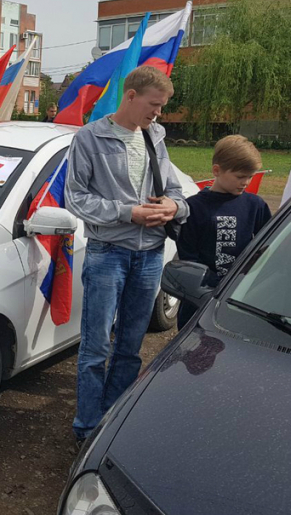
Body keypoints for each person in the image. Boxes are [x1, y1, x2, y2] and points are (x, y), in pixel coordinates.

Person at [65, 66, 188, 444]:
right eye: (154, 105)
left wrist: (173, 208)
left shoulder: (156, 137)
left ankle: (111, 428)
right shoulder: (89, 138)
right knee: (97, 346)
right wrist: (127, 213)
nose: (158, 113)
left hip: (150, 256)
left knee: (131, 346)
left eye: (163, 107)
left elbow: (176, 193)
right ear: (131, 96)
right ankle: (87, 427)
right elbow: (75, 198)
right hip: (107, 254)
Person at [176, 135, 271, 328]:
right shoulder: (194, 207)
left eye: (250, 176)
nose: (245, 182)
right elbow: (188, 255)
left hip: (239, 296)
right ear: (216, 170)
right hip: (200, 297)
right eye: (240, 176)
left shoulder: (255, 205)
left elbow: (267, 248)